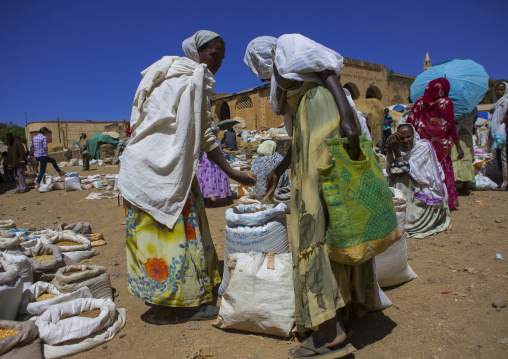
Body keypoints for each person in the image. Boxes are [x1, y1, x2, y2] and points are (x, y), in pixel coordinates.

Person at [245, 34, 375, 358]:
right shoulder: (282, 82)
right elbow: (296, 131)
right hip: (311, 125)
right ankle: (341, 310)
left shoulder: (288, 47)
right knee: (331, 215)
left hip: (325, 116)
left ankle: (329, 330)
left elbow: (328, 72)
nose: (261, 75)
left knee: (310, 218)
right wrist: (281, 165)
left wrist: (347, 117)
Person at [118, 30, 255, 320]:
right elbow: (205, 134)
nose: (218, 61)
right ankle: (187, 302)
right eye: (213, 54)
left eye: (222, 57)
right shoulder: (193, 78)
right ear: (197, 51)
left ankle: (167, 295)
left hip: (145, 168)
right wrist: (232, 172)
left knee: (158, 235)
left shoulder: (167, 73)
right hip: (159, 169)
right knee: (177, 235)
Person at [406, 78, 463, 209]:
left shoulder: (420, 102)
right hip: (440, 147)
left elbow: (410, 122)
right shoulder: (446, 102)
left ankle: (426, 200)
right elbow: (451, 125)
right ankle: (446, 201)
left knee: (424, 173)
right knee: (442, 172)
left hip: (422, 147)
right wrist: (458, 146)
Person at [386, 124, 450, 238]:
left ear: (414, 136)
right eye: (401, 138)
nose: (405, 141)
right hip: (411, 190)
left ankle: (409, 220)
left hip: (425, 190)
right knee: (389, 179)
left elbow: (406, 169)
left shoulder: (422, 147)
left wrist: (396, 151)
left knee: (402, 178)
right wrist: (390, 150)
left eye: (408, 137)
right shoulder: (400, 150)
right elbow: (391, 171)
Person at [196, 121, 231, 207]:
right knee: (207, 175)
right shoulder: (208, 126)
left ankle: (205, 199)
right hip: (210, 154)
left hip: (207, 154)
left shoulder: (205, 123)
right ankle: (208, 201)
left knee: (205, 175)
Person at [451, 108, 478, 194]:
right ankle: (458, 186)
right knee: (455, 157)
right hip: (456, 134)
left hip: (466, 132)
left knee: (466, 158)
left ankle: (465, 186)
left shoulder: (472, 106)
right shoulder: (450, 104)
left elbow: (474, 116)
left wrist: (458, 118)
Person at [489, 82, 508, 190]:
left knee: (504, 158)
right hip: (497, 135)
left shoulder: (505, 102)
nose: (499, 92)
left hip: (503, 134)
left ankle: (505, 183)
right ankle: (502, 180)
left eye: (501, 90)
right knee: (500, 158)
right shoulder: (497, 104)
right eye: (497, 90)